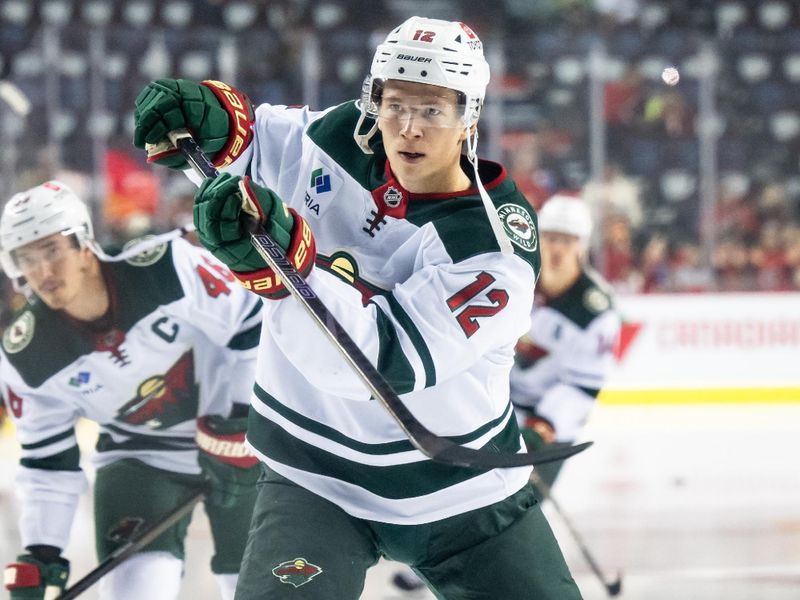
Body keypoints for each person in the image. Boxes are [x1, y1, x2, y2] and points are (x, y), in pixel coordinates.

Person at [133, 16, 582, 599]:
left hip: (461, 494)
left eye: (432, 110)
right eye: (394, 104)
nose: (408, 129)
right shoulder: (344, 134)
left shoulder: (493, 247)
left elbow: (379, 366)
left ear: (469, 115)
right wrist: (210, 122)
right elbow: (261, 144)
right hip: (313, 474)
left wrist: (286, 266)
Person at [0, 180, 263, 600]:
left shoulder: (168, 267)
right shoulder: (26, 353)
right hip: (140, 459)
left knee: (257, 590)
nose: (43, 272)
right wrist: (43, 551)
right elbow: (46, 460)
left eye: (51, 250)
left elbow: (254, 318)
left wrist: (244, 414)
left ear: (83, 241)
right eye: (26, 258)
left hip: (238, 444)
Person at [510, 194, 621, 495]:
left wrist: (543, 424)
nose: (557, 248)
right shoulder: (514, 279)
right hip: (498, 410)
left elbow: (582, 387)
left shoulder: (595, 311)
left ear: (582, 246)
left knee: (526, 510)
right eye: (550, 237)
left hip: (548, 428)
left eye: (567, 240)